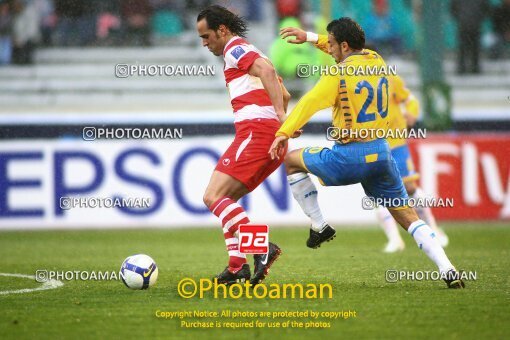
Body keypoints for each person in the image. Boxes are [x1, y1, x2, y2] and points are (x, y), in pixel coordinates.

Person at [273, 18, 464, 288]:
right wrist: (310, 37)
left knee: (291, 161)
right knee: (408, 216)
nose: (330, 47)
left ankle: (319, 225)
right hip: (382, 153)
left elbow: (310, 103)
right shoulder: (377, 60)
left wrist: (284, 131)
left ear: (344, 45)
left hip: (349, 157)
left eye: (332, 43)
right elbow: (338, 48)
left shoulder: (337, 75)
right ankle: (447, 268)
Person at [196, 5, 294, 285]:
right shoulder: (247, 50)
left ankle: (262, 248)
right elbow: (284, 92)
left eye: (206, 36)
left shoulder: (234, 48)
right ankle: (237, 267)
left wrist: (280, 118)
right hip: (268, 136)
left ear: (222, 31)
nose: (205, 44)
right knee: (227, 200)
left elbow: (266, 69)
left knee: (212, 197)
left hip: (256, 133)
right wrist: (282, 123)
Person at [450, 0, 490, 74]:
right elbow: (486, 10)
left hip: (463, 24)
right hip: (475, 25)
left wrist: (460, 19)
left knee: (463, 47)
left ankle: (462, 68)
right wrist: (479, 19)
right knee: (475, 47)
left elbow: (453, 10)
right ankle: (475, 67)